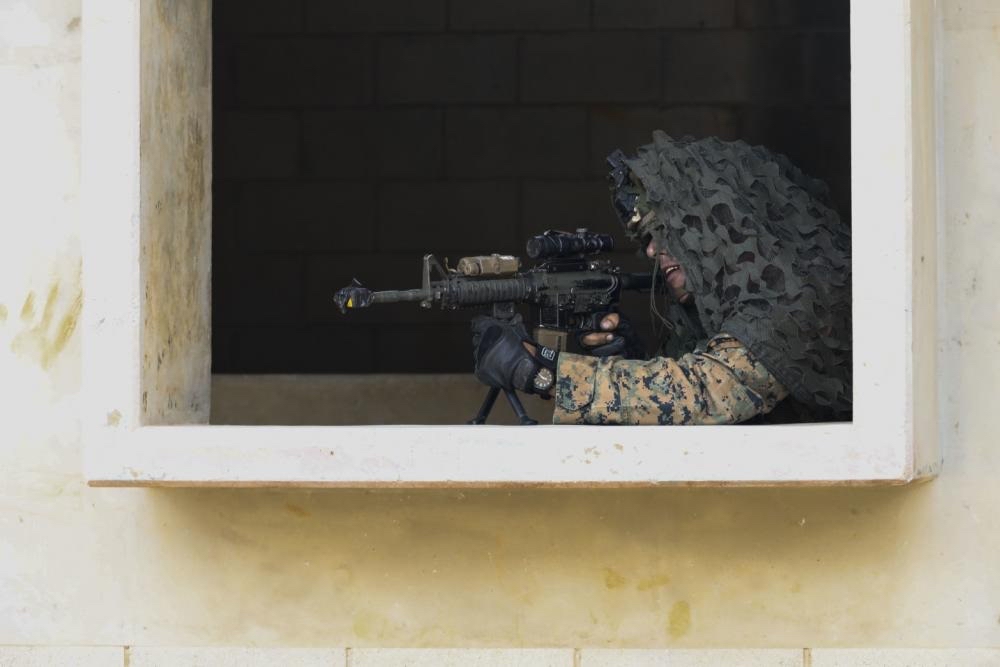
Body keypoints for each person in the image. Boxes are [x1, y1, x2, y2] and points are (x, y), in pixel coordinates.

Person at [471, 132, 853, 424]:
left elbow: (704, 392)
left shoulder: (795, 301)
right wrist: (633, 360)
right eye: (649, 238)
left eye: (667, 233)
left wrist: (546, 375)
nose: (652, 251)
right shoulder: (725, 309)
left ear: (719, 229)